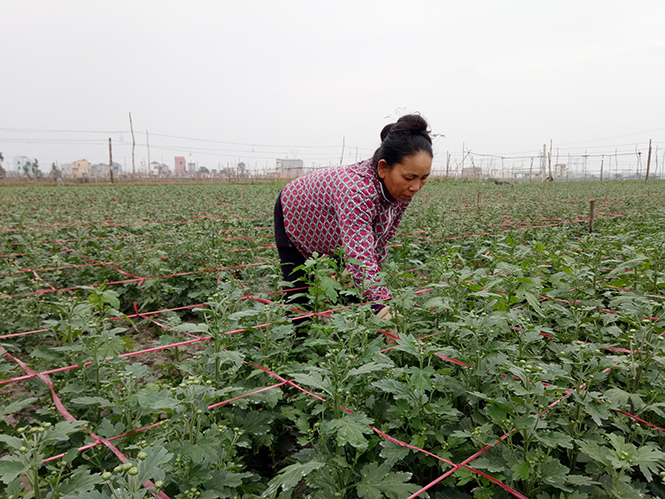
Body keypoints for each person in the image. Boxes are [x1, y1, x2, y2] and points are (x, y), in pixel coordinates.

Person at [273, 113, 433, 318]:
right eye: (409, 177)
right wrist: (381, 307)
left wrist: (370, 279)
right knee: (300, 295)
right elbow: (360, 255)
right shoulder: (356, 190)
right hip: (294, 212)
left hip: (334, 227)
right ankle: (297, 342)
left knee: (351, 286)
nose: (416, 187)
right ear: (383, 168)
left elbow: (381, 237)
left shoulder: (402, 189)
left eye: (423, 178)